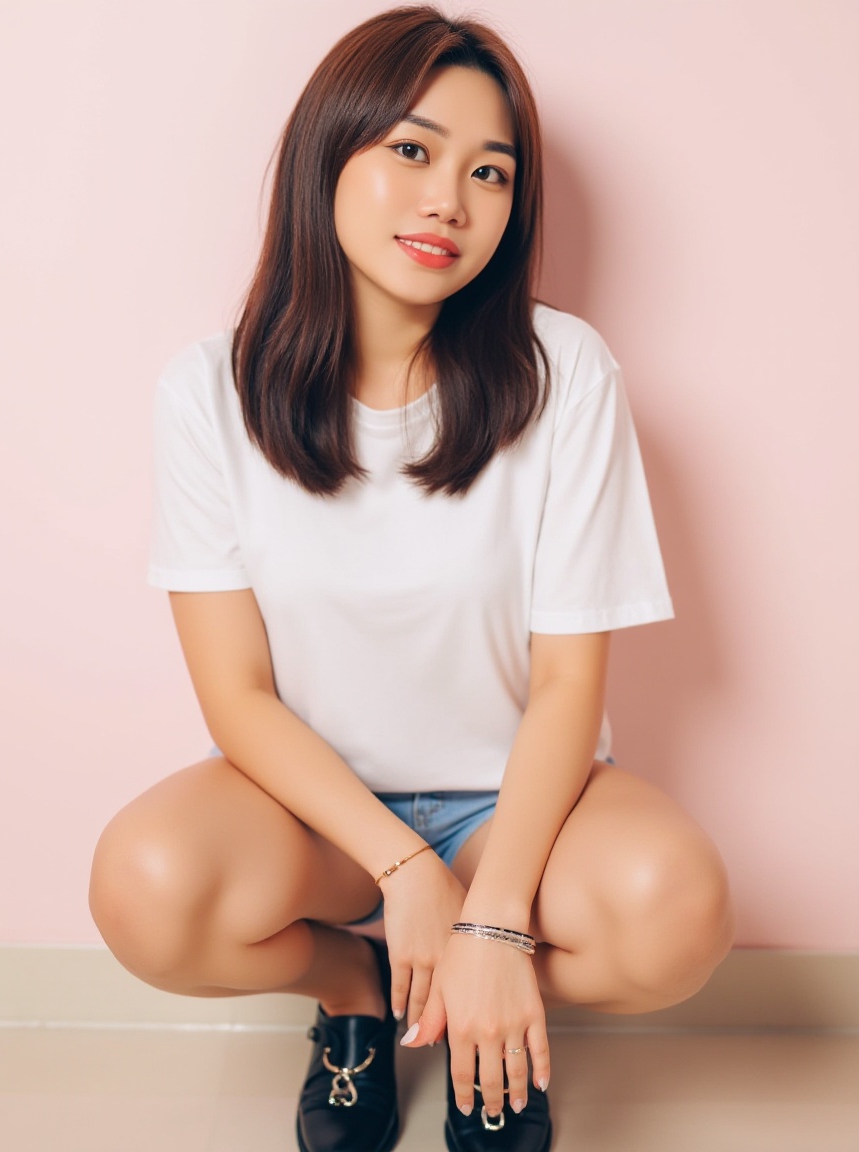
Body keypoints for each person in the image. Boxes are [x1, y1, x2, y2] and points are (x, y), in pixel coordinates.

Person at [89, 7, 733, 1151]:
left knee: (674, 915)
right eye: (411, 150)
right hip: (316, 818)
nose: (449, 198)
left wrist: (489, 922)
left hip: (516, 811)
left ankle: (488, 1003)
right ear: (326, 154)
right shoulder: (206, 393)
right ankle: (356, 994)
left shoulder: (562, 372)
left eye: (489, 171)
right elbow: (235, 695)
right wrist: (397, 867)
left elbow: (564, 686)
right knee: (144, 887)